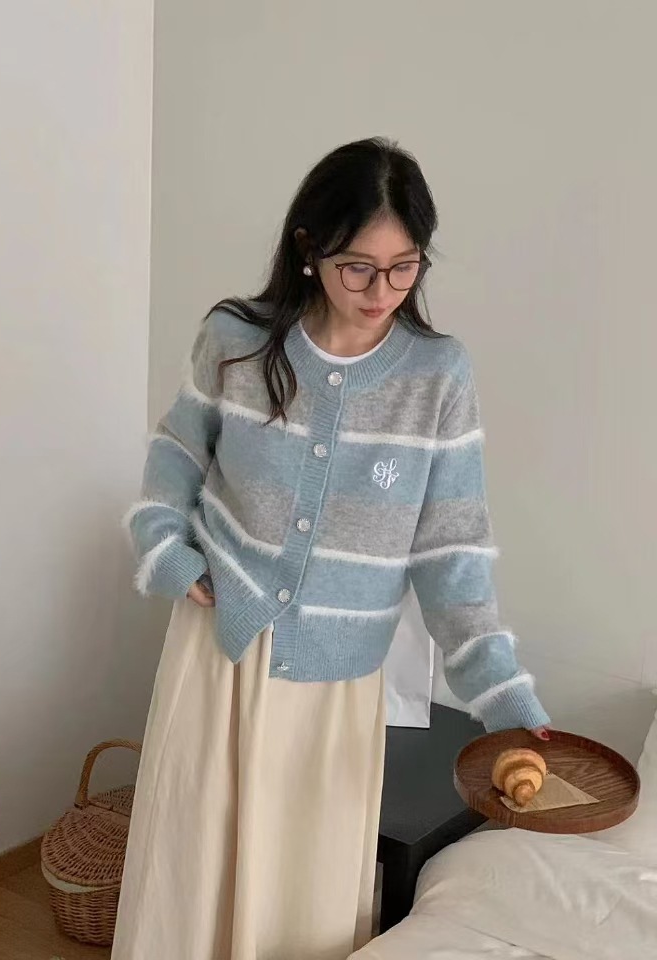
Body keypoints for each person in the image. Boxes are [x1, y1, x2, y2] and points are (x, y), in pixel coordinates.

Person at [112, 137, 550, 960]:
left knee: (297, 904)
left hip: (335, 691)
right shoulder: (237, 339)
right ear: (309, 249)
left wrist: (506, 703)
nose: (382, 291)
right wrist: (165, 546)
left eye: (404, 267)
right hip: (219, 657)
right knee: (191, 880)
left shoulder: (438, 376)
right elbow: (176, 452)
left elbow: (453, 556)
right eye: (359, 268)